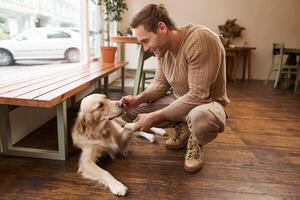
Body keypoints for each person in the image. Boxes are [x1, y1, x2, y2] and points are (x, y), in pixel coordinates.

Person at [121, 4, 230, 173]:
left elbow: (198, 96)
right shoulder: (162, 50)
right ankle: (185, 126)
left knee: (200, 118)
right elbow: (160, 84)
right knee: (129, 111)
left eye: (145, 41)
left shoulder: (200, 40)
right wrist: (137, 99)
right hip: (180, 99)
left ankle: (195, 139)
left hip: (208, 104)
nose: (146, 48)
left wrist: (153, 117)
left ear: (162, 27)